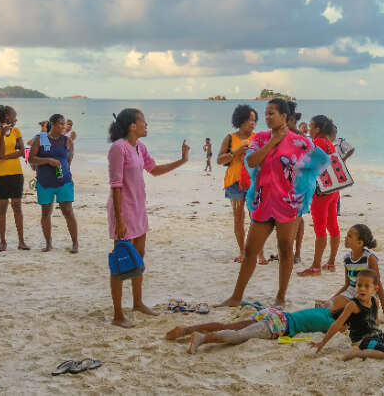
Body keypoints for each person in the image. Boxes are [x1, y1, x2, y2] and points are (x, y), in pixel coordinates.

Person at [217, 99, 330, 309]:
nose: (267, 117)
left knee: (285, 249)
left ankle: (280, 297)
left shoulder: (301, 142)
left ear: (284, 117)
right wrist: (273, 142)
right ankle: (235, 297)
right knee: (251, 250)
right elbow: (251, 161)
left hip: (289, 203)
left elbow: (322, 161)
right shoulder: (260, 139)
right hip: (262, 201)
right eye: (266, 114)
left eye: (271, 113)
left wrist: (303, 185)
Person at [107, 108, 190, 328]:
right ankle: (117, 314)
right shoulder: (118, 148)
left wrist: (182, 160)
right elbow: (115, 186)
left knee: (139, 256)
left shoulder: (139, 147)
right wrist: (120, 220)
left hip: (138, 207)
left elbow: (154, 170)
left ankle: (137, 302)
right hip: (122, 210)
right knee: (121, 260)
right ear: (132, 126)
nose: (146, 125)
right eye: (143, 121)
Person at [310, 269, 384, 360]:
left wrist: (378, 325)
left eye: (367, 286)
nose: (362, 288)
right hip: (362, 340)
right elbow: (337, 324)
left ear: (375, 289)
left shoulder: (375, 301)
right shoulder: (352, 305)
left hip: (377, 334)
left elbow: (376, 321)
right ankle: (358, 352)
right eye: (359, 285)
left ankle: (374, 345)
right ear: (355, 286)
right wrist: (323, 342)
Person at [166, 305, 337, 354]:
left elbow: (328, 303)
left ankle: (186, 330)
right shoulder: (329, 322)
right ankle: (201, 338)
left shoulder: (323, 310)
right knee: (239, 336)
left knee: (229, 327)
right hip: (280, 326)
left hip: (274, 313)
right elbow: (339, 328)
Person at [217, 105, 266, 265]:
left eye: (254, 120)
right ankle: (243, 252)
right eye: (248, 120)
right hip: (235, 183)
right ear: (240, 121)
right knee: (238, 219)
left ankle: (260, 253)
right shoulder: (230, 138)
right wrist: (236, 152)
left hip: (254, 182)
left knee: (257, 218)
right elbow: (219, 160)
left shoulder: (259, 137)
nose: (252, 123)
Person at [316, 224, 384, 319]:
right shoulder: (347, 259)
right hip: (350, 292)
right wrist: (330, 300)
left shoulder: (369, 258)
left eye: (349, 236)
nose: (345, 238)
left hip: (366, 294)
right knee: (326, 308)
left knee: (347, 316)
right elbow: (347, 285)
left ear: (359, 243)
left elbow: (378, 285)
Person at [29, 114, 78, 253]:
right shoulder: (42, 139)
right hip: (45, 182)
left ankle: (75, 244)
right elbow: (31, 158)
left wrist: (64, 171)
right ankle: (48, 243)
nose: (63, 127)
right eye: (60, 124)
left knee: (68, 212)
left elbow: (68, 161)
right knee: (46, 213)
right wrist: (48, 161)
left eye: (64, 124)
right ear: (52, 124)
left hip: (64, 182)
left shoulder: (67, 141)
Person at [298, 116, 340, 276]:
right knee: (333, 226)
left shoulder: (317, 143)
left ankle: (315, 267)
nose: (309, 129)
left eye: (311, 126)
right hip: (333, 189)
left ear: (318, 129)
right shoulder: (329, 143)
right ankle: (330, 263)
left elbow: (305, 165)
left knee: (320, 229)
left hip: (321, 192)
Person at [0, 105, 29, 252]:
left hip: (16, 173)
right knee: (2, 208)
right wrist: (2, 135)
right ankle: (3, 242)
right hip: (1, 174)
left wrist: (4, 157)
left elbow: (23, 152)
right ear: (7, 117)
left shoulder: (16, 131)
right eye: (14, 115)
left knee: (17, 206)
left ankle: (21, 241)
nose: (16, 117)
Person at [286, 101, 305, 265]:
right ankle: (288, 252)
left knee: (297, 217)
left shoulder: (300, 137)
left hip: (297, 182)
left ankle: (296, 252)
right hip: (282, 182)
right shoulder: (277, 134)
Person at [330, 124, 354, 216]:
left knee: (336, 189)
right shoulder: (325, 141)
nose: (333, 133)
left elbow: (351, 149)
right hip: (327, 167)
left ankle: (337, 210)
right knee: (328, 189)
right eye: (332, 131)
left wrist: (344, 159)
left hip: (338, 168)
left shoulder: (340, 142)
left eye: (335, 131)